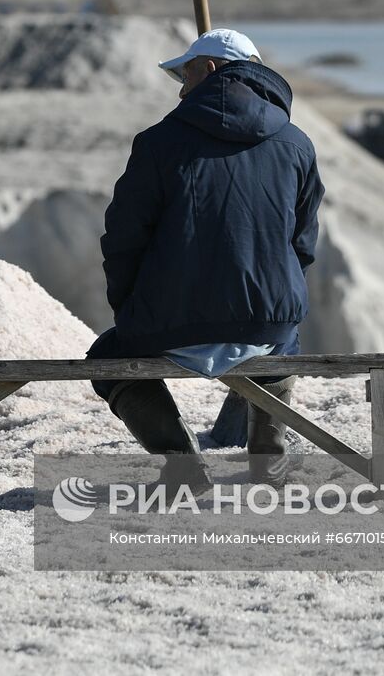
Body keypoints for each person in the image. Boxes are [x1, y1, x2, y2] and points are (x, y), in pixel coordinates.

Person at [91, 28, 324, 486]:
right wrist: (277, 299)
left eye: (186, 73)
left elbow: (123, 238)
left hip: (169, 323)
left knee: (107, 355)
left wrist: (131, 308)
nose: (180, 87)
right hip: (267, 324)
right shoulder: (297, 144)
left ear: (212, 70)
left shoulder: (157, 142)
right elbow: (303, 244)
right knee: (284, 342)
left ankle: (183, 468)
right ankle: (268, 464)